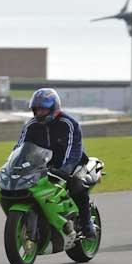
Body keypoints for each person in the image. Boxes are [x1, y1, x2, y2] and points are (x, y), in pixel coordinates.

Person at [15, 88, 96, 238]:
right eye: (37, 109)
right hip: (44, 165)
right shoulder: (31, 125)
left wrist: (65, 169)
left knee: (77, 185)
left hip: (73, 163)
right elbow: (20, 148)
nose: (39, 112)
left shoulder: (69, 124)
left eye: (43, 109)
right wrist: (14, 165)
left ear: (53, 108)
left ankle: (86, 224)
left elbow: (74, 150)